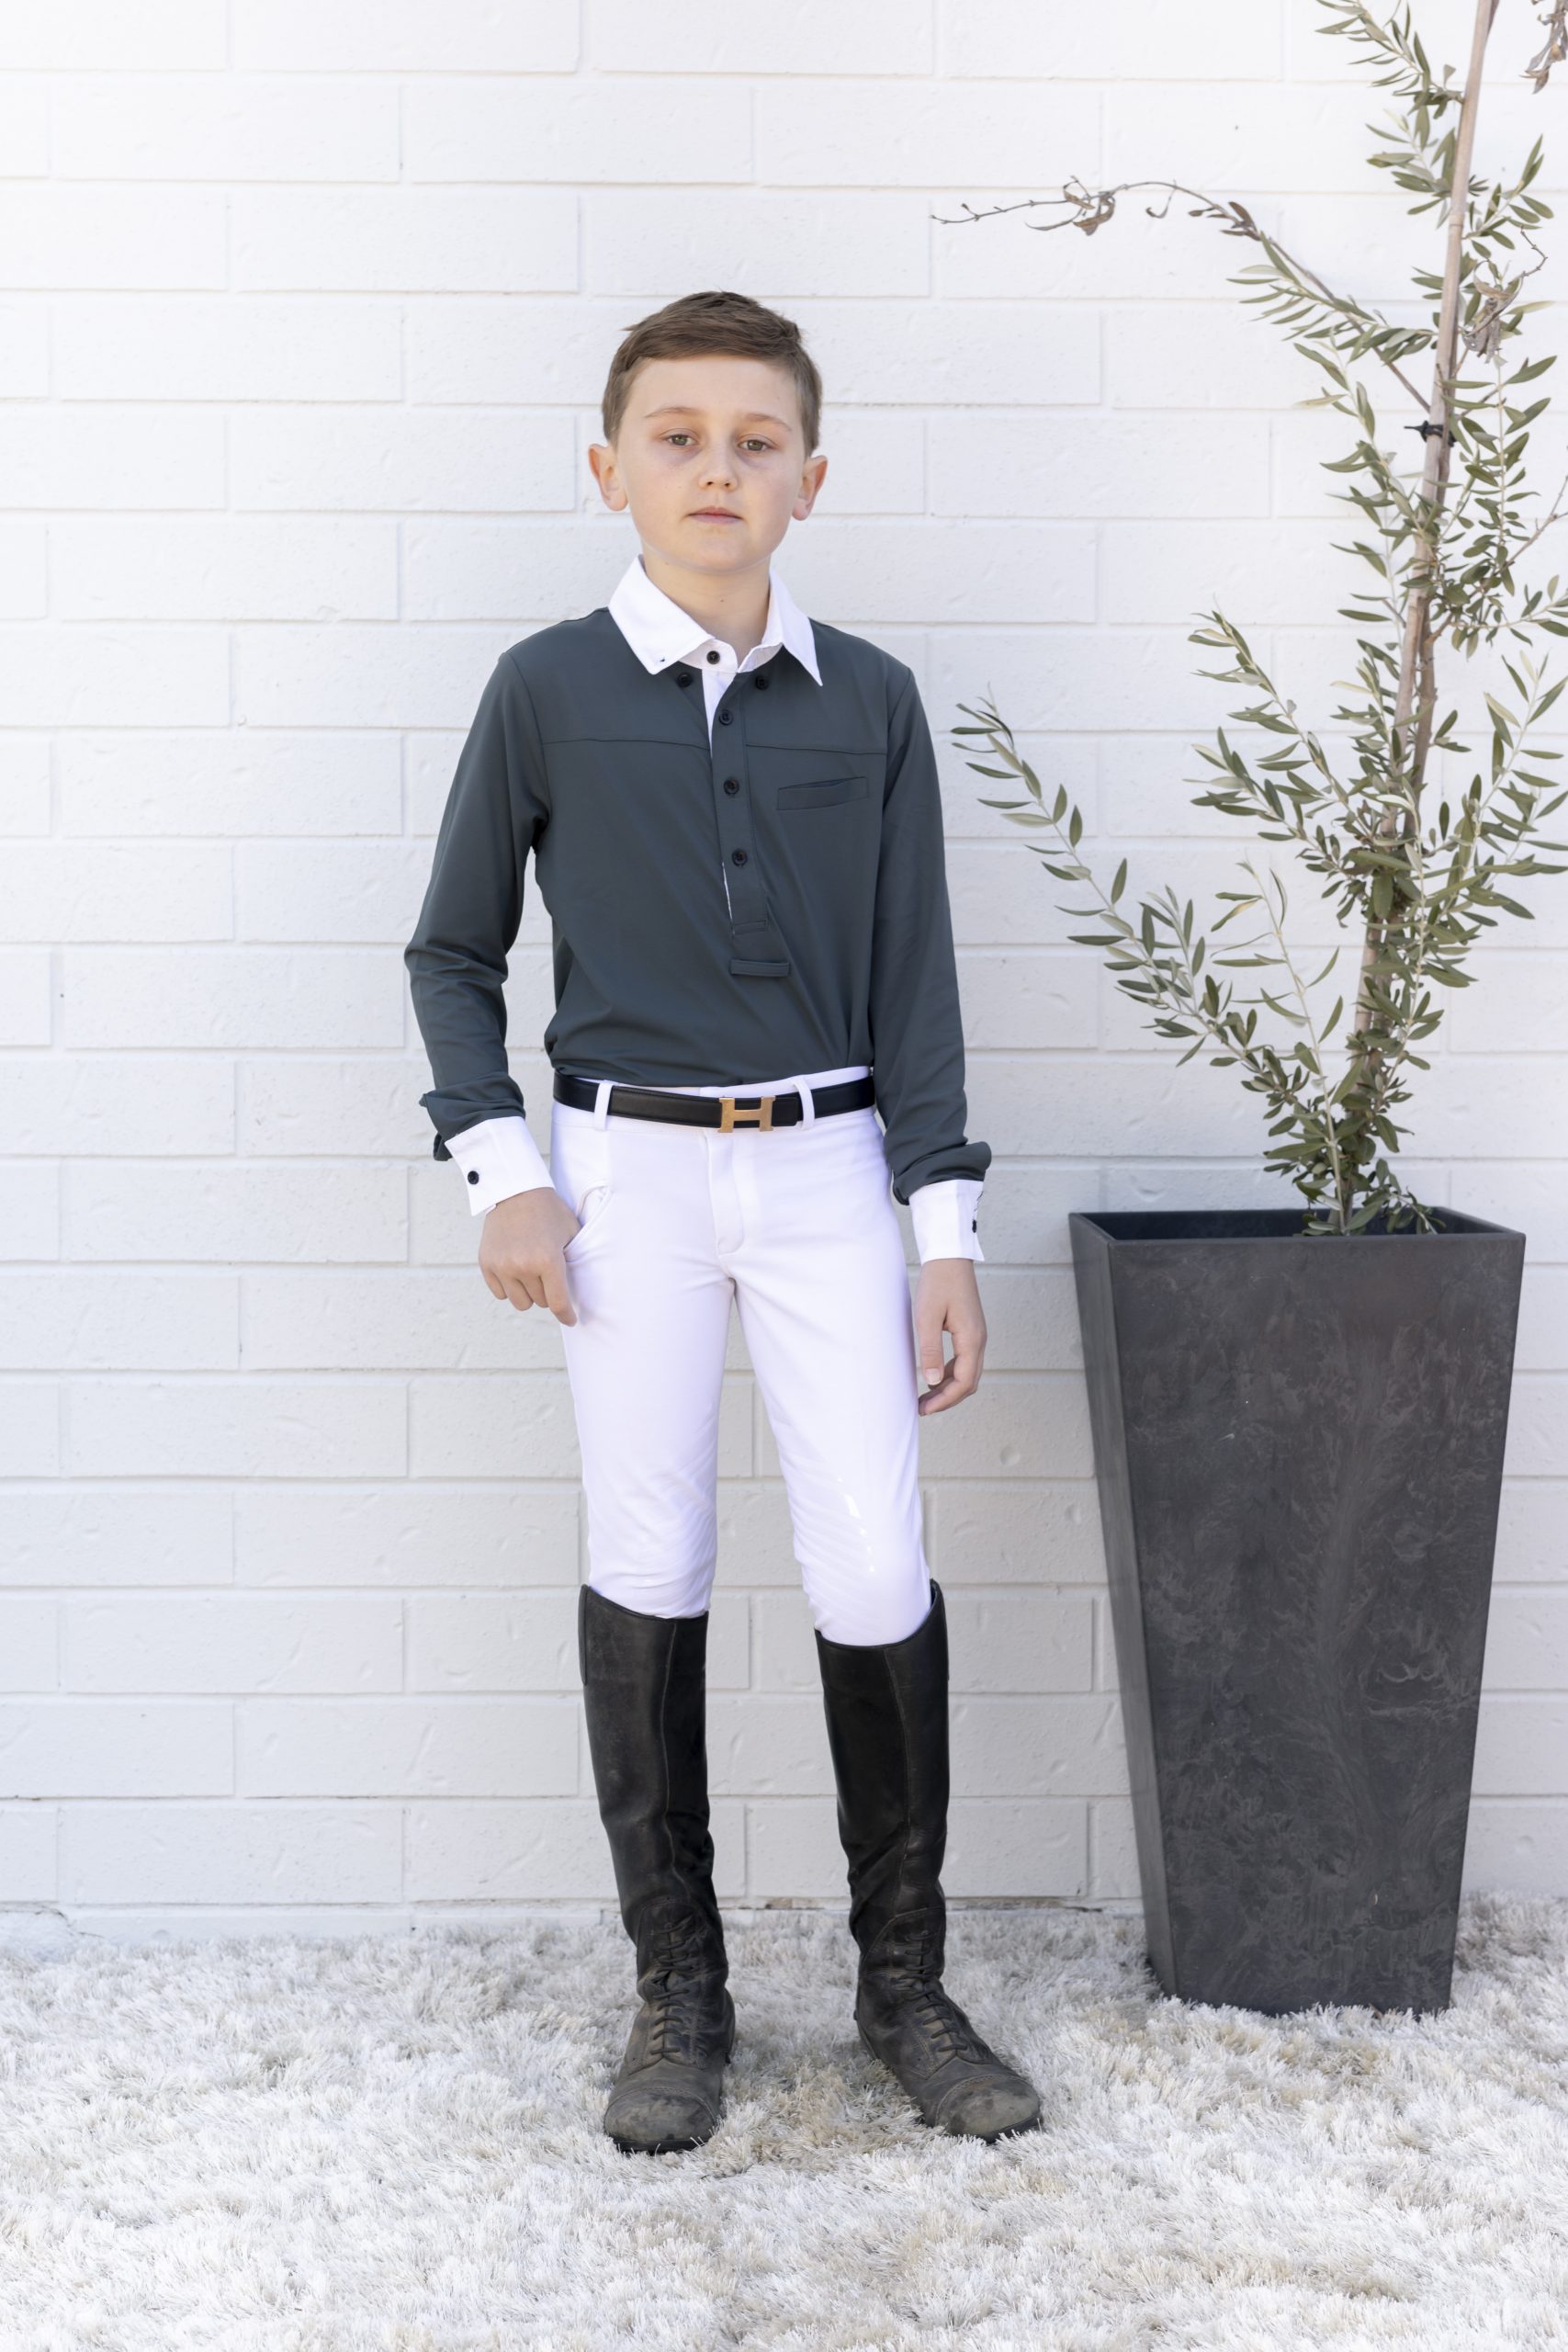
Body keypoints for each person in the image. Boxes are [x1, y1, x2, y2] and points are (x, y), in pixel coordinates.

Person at [404, 288, 1042, 2156]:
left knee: (872, 1563)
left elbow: (915, 979)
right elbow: (452, 951)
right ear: (608, 469)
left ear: (807, 479)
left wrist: (941, 1231)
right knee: (651, 1547)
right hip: (626, 1182)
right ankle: (677, 1990)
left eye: (755, 441)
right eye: (676, 437)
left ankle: (904, 1983)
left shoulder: (875, 702)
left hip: (831, 1168)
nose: (715, 468)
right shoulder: (546, 689)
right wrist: (504, 1171)